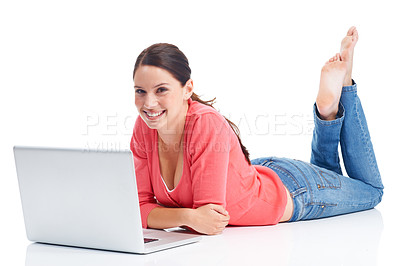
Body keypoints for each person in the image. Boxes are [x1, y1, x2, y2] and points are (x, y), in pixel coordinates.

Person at [130, 26, 384, 235]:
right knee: (329, 175)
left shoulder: (204, 123)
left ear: (187, 89)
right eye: (140, 91)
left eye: (161, 90)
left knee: (372, 191)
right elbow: (137, 208)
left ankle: (345, 85)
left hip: (297, 192)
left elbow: (210, 220)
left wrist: (172, 216)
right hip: (258, 173)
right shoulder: (145, 128)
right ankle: (327, 113)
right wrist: (188, 216)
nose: (148, 104)